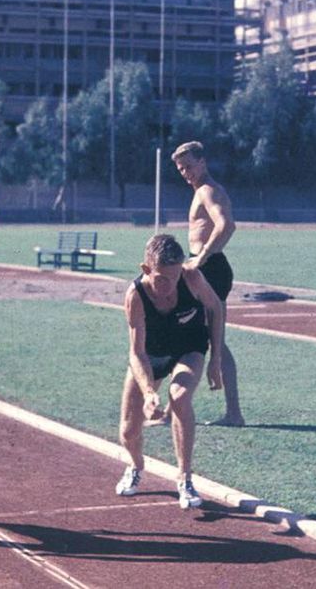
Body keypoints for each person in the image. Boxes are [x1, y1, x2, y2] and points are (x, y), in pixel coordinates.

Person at [115, 234, 224, 509]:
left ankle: (185, 478)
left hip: (189, 346)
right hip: (151, 353)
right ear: (146, 269)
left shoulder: (191, 277)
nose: (169, 285)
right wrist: (148, 392)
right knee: (128, 431)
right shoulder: (135, 295)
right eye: (162, 278)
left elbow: (216, 309)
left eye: (174, 278)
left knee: (180, 397)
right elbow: (137, 353)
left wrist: (216, 359)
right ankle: (136, 466)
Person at [168, 140, 244, 427]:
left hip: (209, 268)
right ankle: (232, 414)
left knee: (201, 337)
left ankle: (230, 413)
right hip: (205, 267)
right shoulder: (202, 190)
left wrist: (202, 257)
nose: (185, 173)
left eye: (189, 166)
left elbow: (226, 225)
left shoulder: (208, 190)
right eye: (180, 169)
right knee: (211, 340)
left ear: (203, 162)